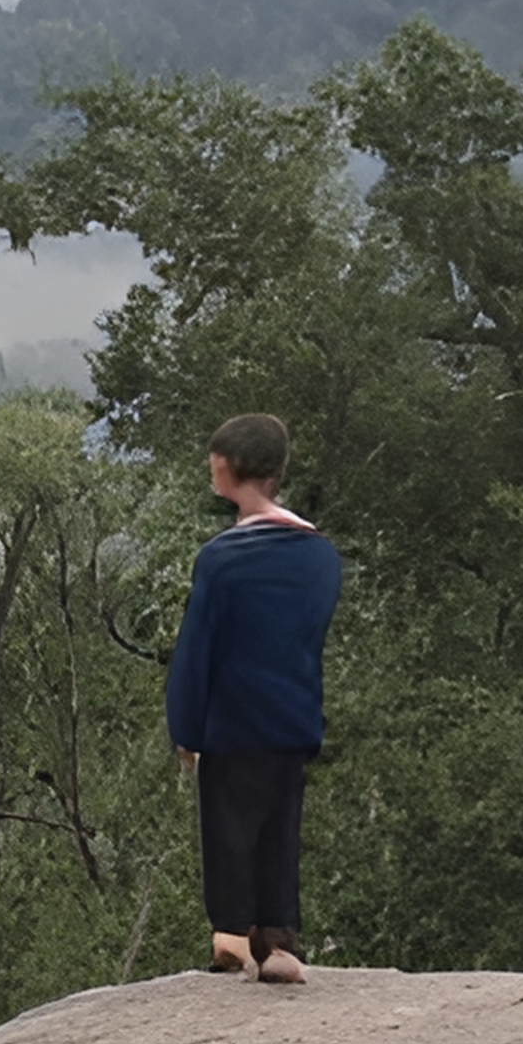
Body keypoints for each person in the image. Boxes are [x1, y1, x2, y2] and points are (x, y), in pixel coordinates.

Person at [164, 413, 343, 984]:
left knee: (228, 829)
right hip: (292, 719)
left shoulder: (222, 558)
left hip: (231, 723)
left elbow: (198, 650)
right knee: (278, 828)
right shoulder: (320, 558)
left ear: (224, 470)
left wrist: (186, 727)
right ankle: (279, 940)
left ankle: (231, 937)